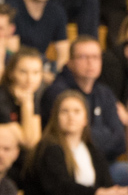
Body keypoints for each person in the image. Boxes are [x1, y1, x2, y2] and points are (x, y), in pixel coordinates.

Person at [40, 36, 128, 184]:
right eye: (83, 57)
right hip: (68, 164)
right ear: (70, 62)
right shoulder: (58, 93)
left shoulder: (105, 93)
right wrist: (104, 134)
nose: (90, 62)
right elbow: (69, 139)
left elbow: (120, 140)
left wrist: (90, 136)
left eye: (95, 57)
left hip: (105, 165)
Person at [0, 47, 45, 151]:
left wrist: (28, 102)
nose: (30, 79)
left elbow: (35, 140)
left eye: (36, 73)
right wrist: (27, 104)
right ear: (11, 73)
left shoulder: (31, 95)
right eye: (23, 72)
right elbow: (26, 142)